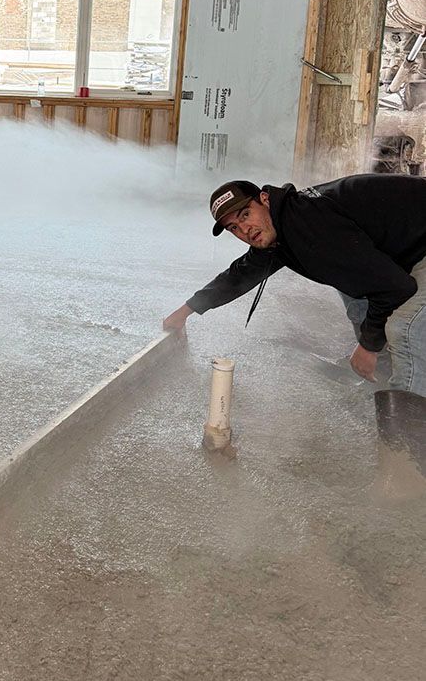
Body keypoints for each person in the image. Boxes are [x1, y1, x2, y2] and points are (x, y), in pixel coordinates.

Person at [162, 175, 426, 466]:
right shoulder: (282, 225)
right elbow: (240, 275)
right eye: (233, 228)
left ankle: (410, 460)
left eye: (245, 215)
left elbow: (396, 289)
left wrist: (368, 346)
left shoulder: (309, 228)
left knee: (405, 328)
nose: (245, 230)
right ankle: (386, 381)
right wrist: (186, 310)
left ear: (264, 199)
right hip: (410, 241)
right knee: (357, 296)